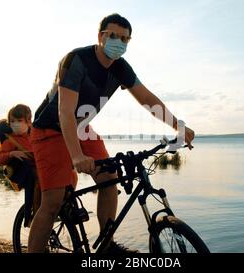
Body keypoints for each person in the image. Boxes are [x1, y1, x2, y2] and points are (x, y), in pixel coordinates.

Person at [28, 13, 195, 253]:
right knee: (52, 202)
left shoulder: (120, 68)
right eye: (113, 35)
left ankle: (106, 246)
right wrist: (76, 156)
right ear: (100, 36)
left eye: (125, 39)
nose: (119, 42)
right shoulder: (76, 60)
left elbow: (147, 99)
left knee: (110, 180)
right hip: (49, 129)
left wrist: (178, 125)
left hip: (81, 129)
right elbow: (65, 113)